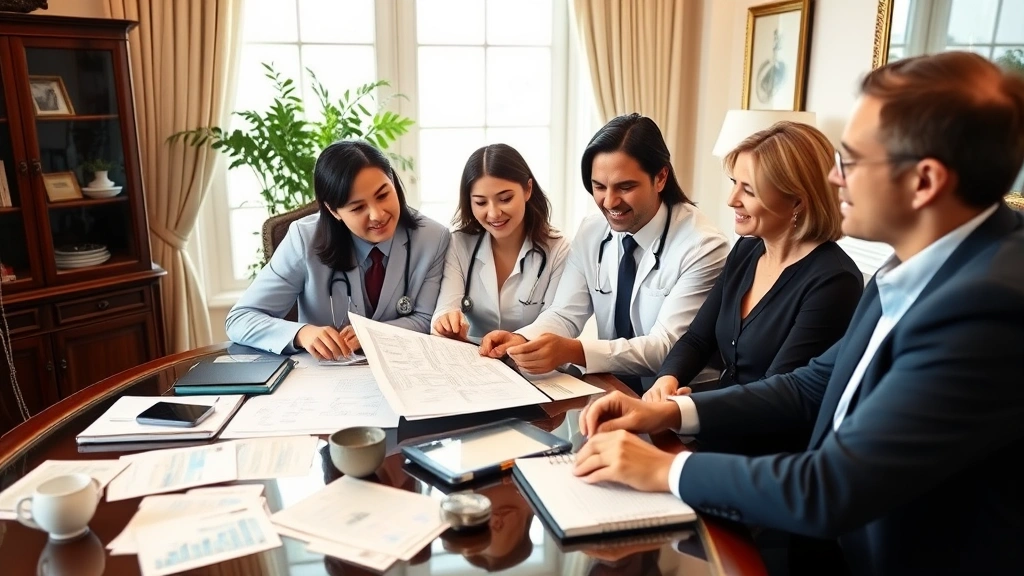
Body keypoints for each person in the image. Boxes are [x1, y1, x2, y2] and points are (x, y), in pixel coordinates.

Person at [571, 52, 1024, 576]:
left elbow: (832, 488)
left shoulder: (988, 308)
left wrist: (668, 469)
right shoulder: (909, 266)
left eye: (850, 161)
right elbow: (812, 383)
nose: (832, 178)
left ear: (924, 182)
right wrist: (669, 412)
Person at [480, 114, 729, 393]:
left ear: (660, 178)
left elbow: (667, 347)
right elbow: (565, 313)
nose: (609, 202)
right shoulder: (592, 230)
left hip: (681, 400)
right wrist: (523, 339)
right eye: (599, 187)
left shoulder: (703, 246)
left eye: (625, 187)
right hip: (614, 388)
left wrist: (573, 351)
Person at [644, 122, 863, 411]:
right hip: (715, 427)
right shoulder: (746, 251)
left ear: (796, 200)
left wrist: (682, 412)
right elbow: (698, 339)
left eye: (748, 190)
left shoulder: (835, 281)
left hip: (770, 447)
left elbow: (778, 392)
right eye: (735, 183)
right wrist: (666, 380)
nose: (731, 200)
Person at [226, 140, 451, 359]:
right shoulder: (304, 239)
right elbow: (240, 319)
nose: (378, 215)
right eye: (358, 207)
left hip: (403, 369)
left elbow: (425, 318)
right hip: (325, 379)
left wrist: (372, 335)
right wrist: (301, 334)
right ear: (333, 211)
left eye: (383, 195)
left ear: (392, 181)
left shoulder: (432, 237)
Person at [432, 144, 570, 342]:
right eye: (480, 202)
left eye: (505, 199)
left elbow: (557, 322)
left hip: (531, 366)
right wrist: (445, 323)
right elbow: (445, 307)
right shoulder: (459, 244)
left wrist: (519, 341)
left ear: (527, 189)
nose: (494, 213)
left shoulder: (558, 249)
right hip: (474, 359)